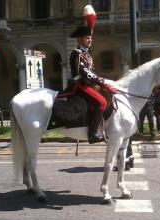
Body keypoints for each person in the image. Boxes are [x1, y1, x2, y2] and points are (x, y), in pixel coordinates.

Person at [69, 5, 116, 144]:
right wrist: (100, 81)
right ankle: (92, 134)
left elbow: (91, 71)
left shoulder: (86, 54)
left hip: (89, 84)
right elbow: (84, 72)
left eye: (90, 38)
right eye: (86, 38)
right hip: (80, 84)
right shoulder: (77, 53)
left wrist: (102, 82)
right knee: (102, 102)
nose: (89, 40)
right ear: (80, 40)